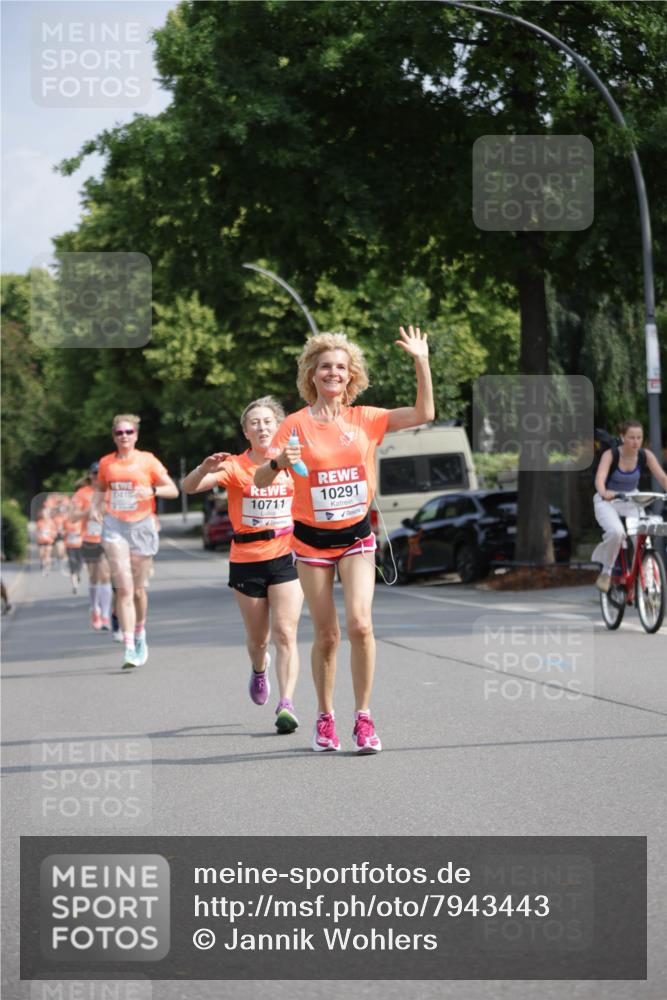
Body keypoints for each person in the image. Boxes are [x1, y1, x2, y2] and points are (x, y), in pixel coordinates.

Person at [255, 325, 434, 754]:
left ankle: (365, 718)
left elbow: (424, 413)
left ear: (350, 375)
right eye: (324, 367)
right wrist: (279, 461)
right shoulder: (294, 425)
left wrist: (421, 361)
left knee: (360, 624)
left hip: (356, 536)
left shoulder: (366, 418)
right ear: (311, 375)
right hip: (312, 542)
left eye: (340, 367)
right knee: (328, 635)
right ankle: (325, 716)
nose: (333, 373)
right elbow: (261, 479)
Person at [183, 396, 303, 734]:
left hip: (285, 556)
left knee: (286, 632)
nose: (262, 427)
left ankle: (287, 703)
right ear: (246, 431)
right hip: (247, 560)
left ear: (278, 426)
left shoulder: (294, 463)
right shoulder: (235, 466)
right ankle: (258, 668)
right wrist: (203, 469)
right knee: (259, 640)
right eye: (255, 423)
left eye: (267, 421)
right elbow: (189, 487)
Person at [94, 414, 179, 668]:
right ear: (114, 436)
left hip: (141, 525)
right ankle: (129, 647)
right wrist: (96, 508)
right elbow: (100, 488)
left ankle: (140, 632)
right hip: (114, 527)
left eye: (129, 432)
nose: (124, 436)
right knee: (124, 588)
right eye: (120, 433)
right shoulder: (106, 462)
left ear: (136, 435)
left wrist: (151, 491)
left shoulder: (147, 460)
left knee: (139, 590)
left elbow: (172, 490)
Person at [592, 419, 667, 592]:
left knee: (643, 535)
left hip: (631, 499)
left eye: (639, 437)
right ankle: (607, 571)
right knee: (617, 533)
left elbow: (662, 478)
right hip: (608, 501)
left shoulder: (644, 455)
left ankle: (642, 576)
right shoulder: (611, 455)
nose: (636, 442)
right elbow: (600, 479)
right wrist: (604, 493)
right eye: (631, 437)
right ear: (622, 437)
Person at [71, 464, 114, 630]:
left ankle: (105, 615)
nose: (97, 476)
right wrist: (86, 512)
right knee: (94, 576)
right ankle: (95, 608)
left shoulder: (109, 492)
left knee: (105, 575)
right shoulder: (82, 494)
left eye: (100, 473)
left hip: (108, 537)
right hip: (90, 538)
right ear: (90, 475)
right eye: (95, 473)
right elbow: (72, 517)